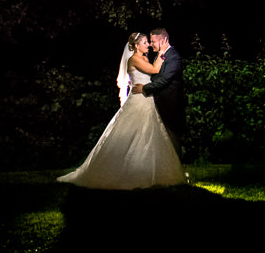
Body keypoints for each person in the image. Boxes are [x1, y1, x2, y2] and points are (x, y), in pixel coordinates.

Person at [57, 32, 184, 189]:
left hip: (148, 100)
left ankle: (148, 170)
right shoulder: (134, 59)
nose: (148, 45)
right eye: (145, 42)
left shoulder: (144, 58)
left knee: (149, 135)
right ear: (136, 45)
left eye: (148, 42)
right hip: (138, 100)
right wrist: (163, 54)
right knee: (132, 133)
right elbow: (154, 70)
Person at [130, 28, 185, 158]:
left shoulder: (174, 56)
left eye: (153, 41)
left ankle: (177, 169)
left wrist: (145, 88)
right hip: (158, 102)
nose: (150, 44)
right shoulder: (163, 54)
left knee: (172, 136)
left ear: (163, 40)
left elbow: (164, 79)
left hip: (170, 104)